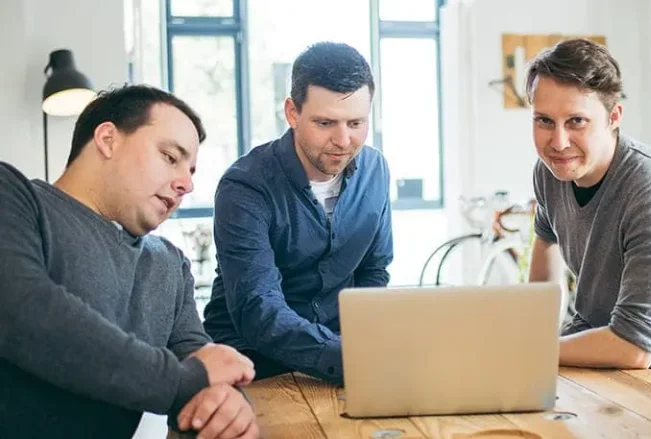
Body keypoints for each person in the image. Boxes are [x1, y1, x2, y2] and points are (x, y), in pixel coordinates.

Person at [0, 85, 259, 438]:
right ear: (108, 139)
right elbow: (20, 308)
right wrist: (185, 380)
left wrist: (226, 404)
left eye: (192, 170)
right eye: (170, 157)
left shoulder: (169, 264)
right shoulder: (13, 197)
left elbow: (202, 367)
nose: (186, 184)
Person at [525, 39, 651, 385]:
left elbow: (635, 347)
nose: (558, 142)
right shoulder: (549, 171)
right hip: (596, 329)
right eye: (544, 121)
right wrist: (523, 337)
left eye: (576, 121)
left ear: (614, 116)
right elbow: (546, 249)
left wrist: (535, 352)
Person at [203, 42, 393, 385]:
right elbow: (258, 307)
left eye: (356, 123)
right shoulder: (245, 187)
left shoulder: (376, 170)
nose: (344, 140)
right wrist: (346, 356)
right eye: (325, 123)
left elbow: (373, 272)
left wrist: (368, 348)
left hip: (341, 358)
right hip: (249, 364)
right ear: (292, 113)